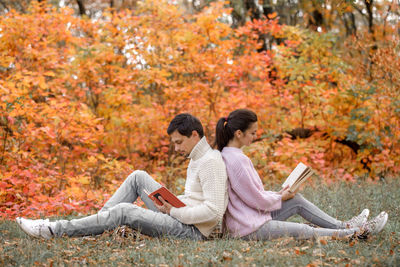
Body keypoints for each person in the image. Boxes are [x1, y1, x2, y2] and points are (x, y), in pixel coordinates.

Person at [16, 113, 228, 240]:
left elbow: (214, 212)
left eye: (178, 142)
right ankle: (95, 227)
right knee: (138, 176)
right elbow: (196, 199)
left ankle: (52, 230)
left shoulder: (210, 161)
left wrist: (174, 211)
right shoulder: (196, 158)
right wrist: (174, 205)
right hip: (179, 214)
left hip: (192, 232)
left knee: (125, 211)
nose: (176, 148)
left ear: (194, 135)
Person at [215, 109, 388, 241]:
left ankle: (346, 225)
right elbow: (256, 199)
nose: (255, 136)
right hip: (247, 228)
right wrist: (280, 197)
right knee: (303, 230)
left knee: (295, 200)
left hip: (252, 217)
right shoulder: (236, 160)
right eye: (253, 133)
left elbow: (252, 195)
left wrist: (280, 195)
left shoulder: (230, 155)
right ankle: (356, 233)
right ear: (239, 133)